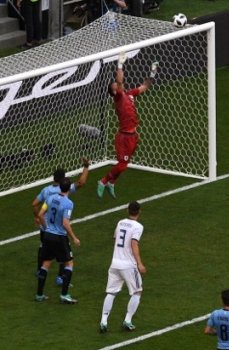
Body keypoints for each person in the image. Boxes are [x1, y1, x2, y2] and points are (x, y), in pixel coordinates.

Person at [97, 53, 158, 199]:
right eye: (115, 86)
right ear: (114, 91)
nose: (118, 86)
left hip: (133, 136)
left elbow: (145, 86)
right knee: (122, 164)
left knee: (125, 164)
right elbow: (119, 81)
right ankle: (103, 181)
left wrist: (153, 72)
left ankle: (112, 183)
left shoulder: (129, 94)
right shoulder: (117, 98)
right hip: (124, 137)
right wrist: (119, 64)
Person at [32, 159, 89, 287]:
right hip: (59, 229)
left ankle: (39, 272)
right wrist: (86, 167)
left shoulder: (46, 190)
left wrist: (37, 217)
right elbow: (81, 182)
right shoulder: (64, 188)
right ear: (64, 179)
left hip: (45, 227)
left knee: (44, 249)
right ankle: (61, 278)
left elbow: (34, 204)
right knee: (64, 254)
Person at [99, 201, 146, 332]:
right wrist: (140, 263)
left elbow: (115, 239)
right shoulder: (138, 226)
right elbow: (134, 244)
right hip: (129, 265)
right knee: (137, 291)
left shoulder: (120, 223)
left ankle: (103, 321)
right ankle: (128, 320)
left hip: (115, 263)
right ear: (139, 212)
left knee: (111, 292)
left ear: (127, 210)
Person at [35, 177, 81, 304]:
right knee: (69, 264)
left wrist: (46, 227)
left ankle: (39, 294)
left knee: (46, 264)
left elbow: (40, 214)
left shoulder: (50, 198)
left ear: (60, 187)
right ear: (69, 188)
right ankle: (64, 294)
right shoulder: (68, 203)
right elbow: (65, 223)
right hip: (60, 237)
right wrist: (74, 237)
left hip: (48, 235)